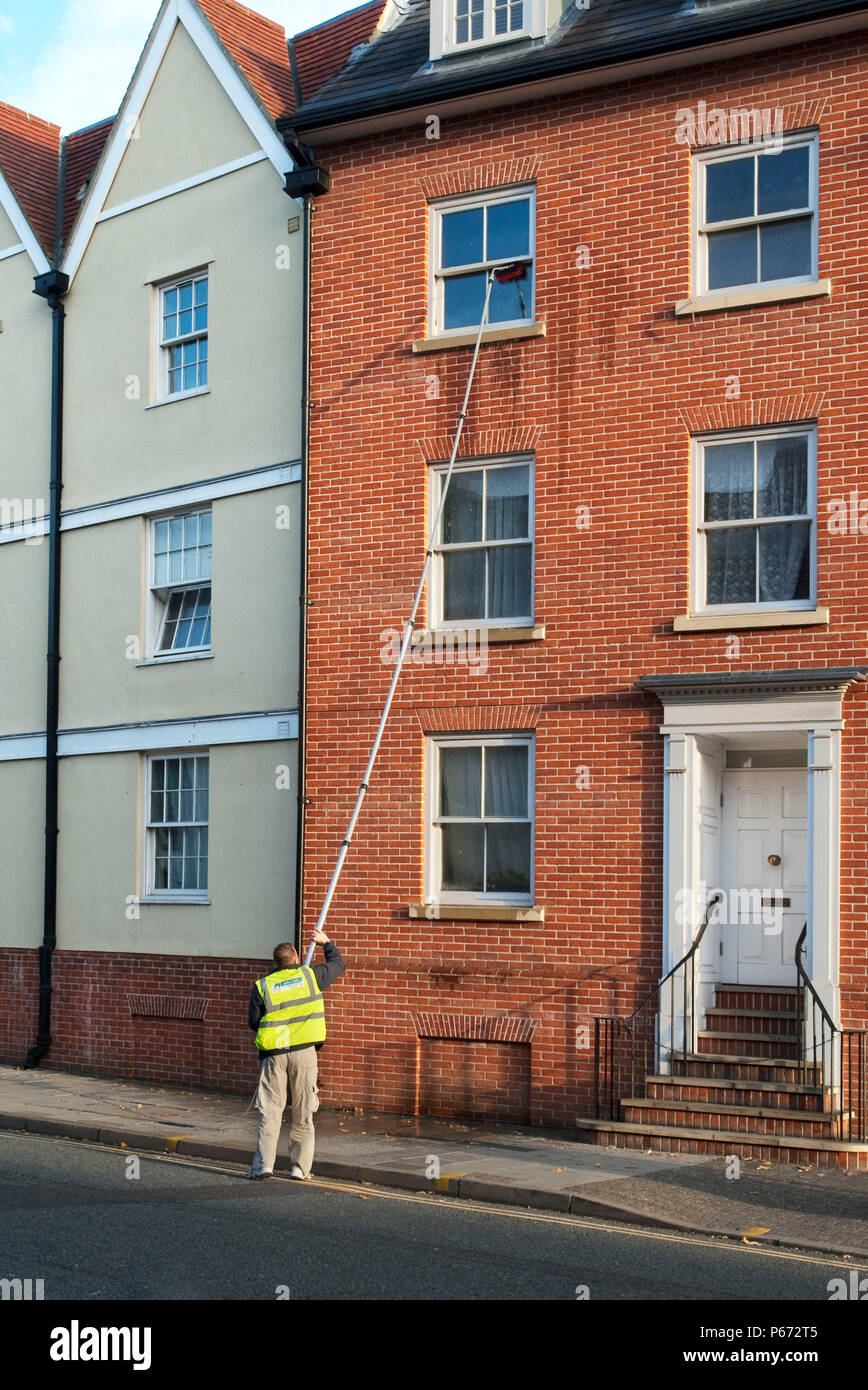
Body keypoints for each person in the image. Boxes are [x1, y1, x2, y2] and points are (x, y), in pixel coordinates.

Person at [247, 929, 345, 1181]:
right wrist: (326, 944)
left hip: (274, 1055)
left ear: (275, 964)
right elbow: (337, 964)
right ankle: (299, 1168)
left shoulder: (262, 986)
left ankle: (263, 1166)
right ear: (295, 960)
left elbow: (254, 1022)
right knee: (303, 1111)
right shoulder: (310, 976)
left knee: (270, 1111)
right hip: (304, 1053)